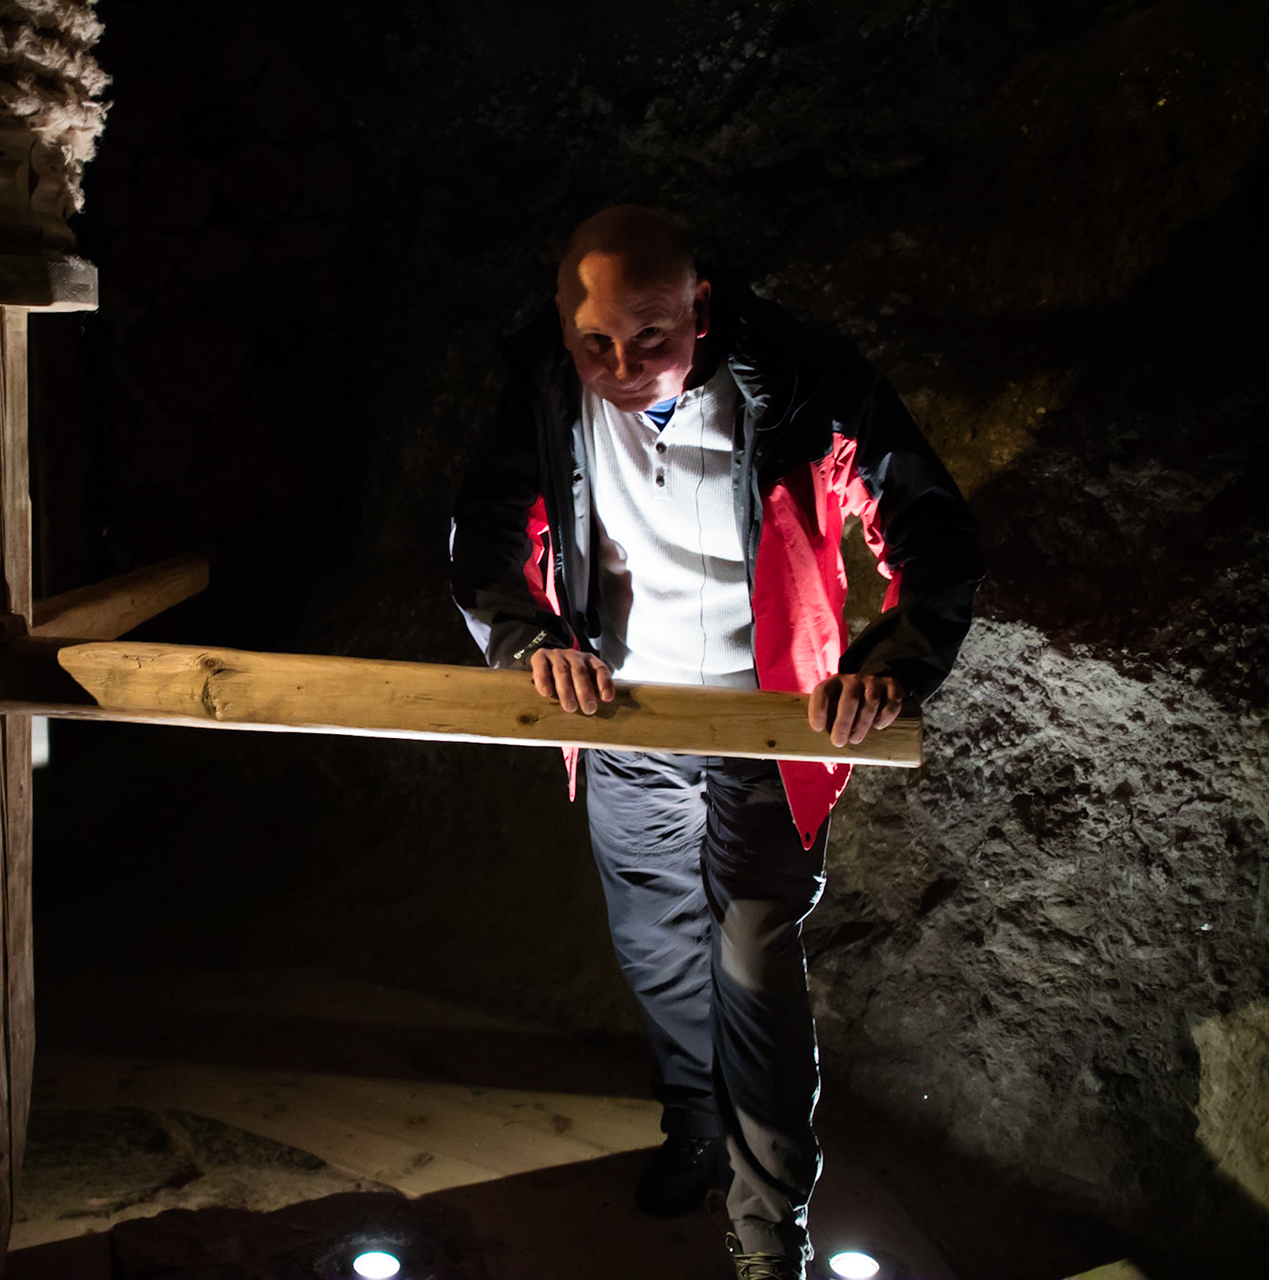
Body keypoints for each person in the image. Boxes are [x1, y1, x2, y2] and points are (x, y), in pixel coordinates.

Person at [449, 206, 982, 1278]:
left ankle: (766, 1225)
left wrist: (892, 659)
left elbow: (932, 524)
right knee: (654, 942)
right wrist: (530, 641)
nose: (622, 364)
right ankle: (693, 1121)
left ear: (698, 304)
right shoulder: (550, 388)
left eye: (651, 335)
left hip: (764, 717)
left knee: (753, 962)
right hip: (620, 717)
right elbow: (483, 539)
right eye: (595, 340)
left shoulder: (803, 376)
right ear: (564, 326)